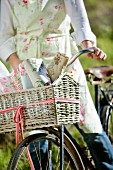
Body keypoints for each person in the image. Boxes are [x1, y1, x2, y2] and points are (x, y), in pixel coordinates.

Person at [0, 0, 113, 169]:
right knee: (35, 127)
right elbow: (4, 33)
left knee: (88, 122)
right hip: (26, 63)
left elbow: (78, 16)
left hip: (64, 59)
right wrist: (20, 68)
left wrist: (88, 45)